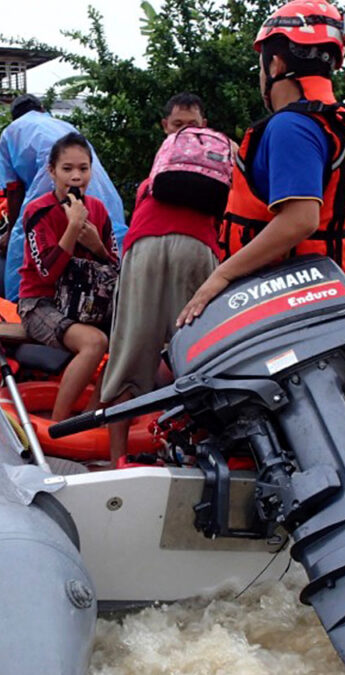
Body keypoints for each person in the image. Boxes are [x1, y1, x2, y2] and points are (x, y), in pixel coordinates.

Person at [180, 0, 345, 326]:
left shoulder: (292, 126)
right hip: (323, 299)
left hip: (283, 303)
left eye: (260, 65)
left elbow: (301, 221)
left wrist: (220, 277)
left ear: (275, 65)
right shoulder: (341, 125)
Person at [102, 95, 224, 462]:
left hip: (143, 248)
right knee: (198, 358)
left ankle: (114, 463)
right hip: (198, 249)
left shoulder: (152, 177)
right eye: (179, 126)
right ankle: (195, 458)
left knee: (127, 357)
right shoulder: (220, 160)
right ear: (166, 126)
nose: (185, 132)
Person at [18, 133, 117, 422]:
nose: (76, 177)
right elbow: (46, 270)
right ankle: (60, 425)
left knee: (127, 341)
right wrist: (73, 227)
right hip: (39, 303)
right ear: (52, 171)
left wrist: (97, 245)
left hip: (86, 302)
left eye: (83, 169)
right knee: (95, 342)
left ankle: (91, 415)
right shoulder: (37, 211)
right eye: (67, 169)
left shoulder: (98, 210)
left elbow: (115, 265)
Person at [0, 94, 127, 301]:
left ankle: (18, 303)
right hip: (103, 191)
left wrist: (11, 232)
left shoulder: (11, 132)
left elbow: (14, 189)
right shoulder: (64, 125)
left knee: (23, 244)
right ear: (42, 108)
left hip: (53, 186)